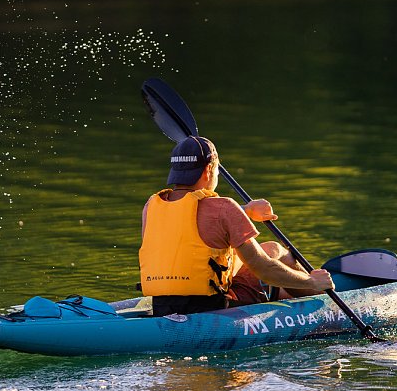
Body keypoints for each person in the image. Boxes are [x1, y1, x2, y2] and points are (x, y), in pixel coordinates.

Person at [140, 135, 334, 316]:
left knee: (271, 249)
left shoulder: (151, 206)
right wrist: (311, 281)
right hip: (213, 308)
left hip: (162, 306)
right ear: (209, 170)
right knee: (273, 254)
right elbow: (264, 270)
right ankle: (326, 303)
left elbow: (189, 227)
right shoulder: (225, 207)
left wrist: (246, 211)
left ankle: (288, 293)